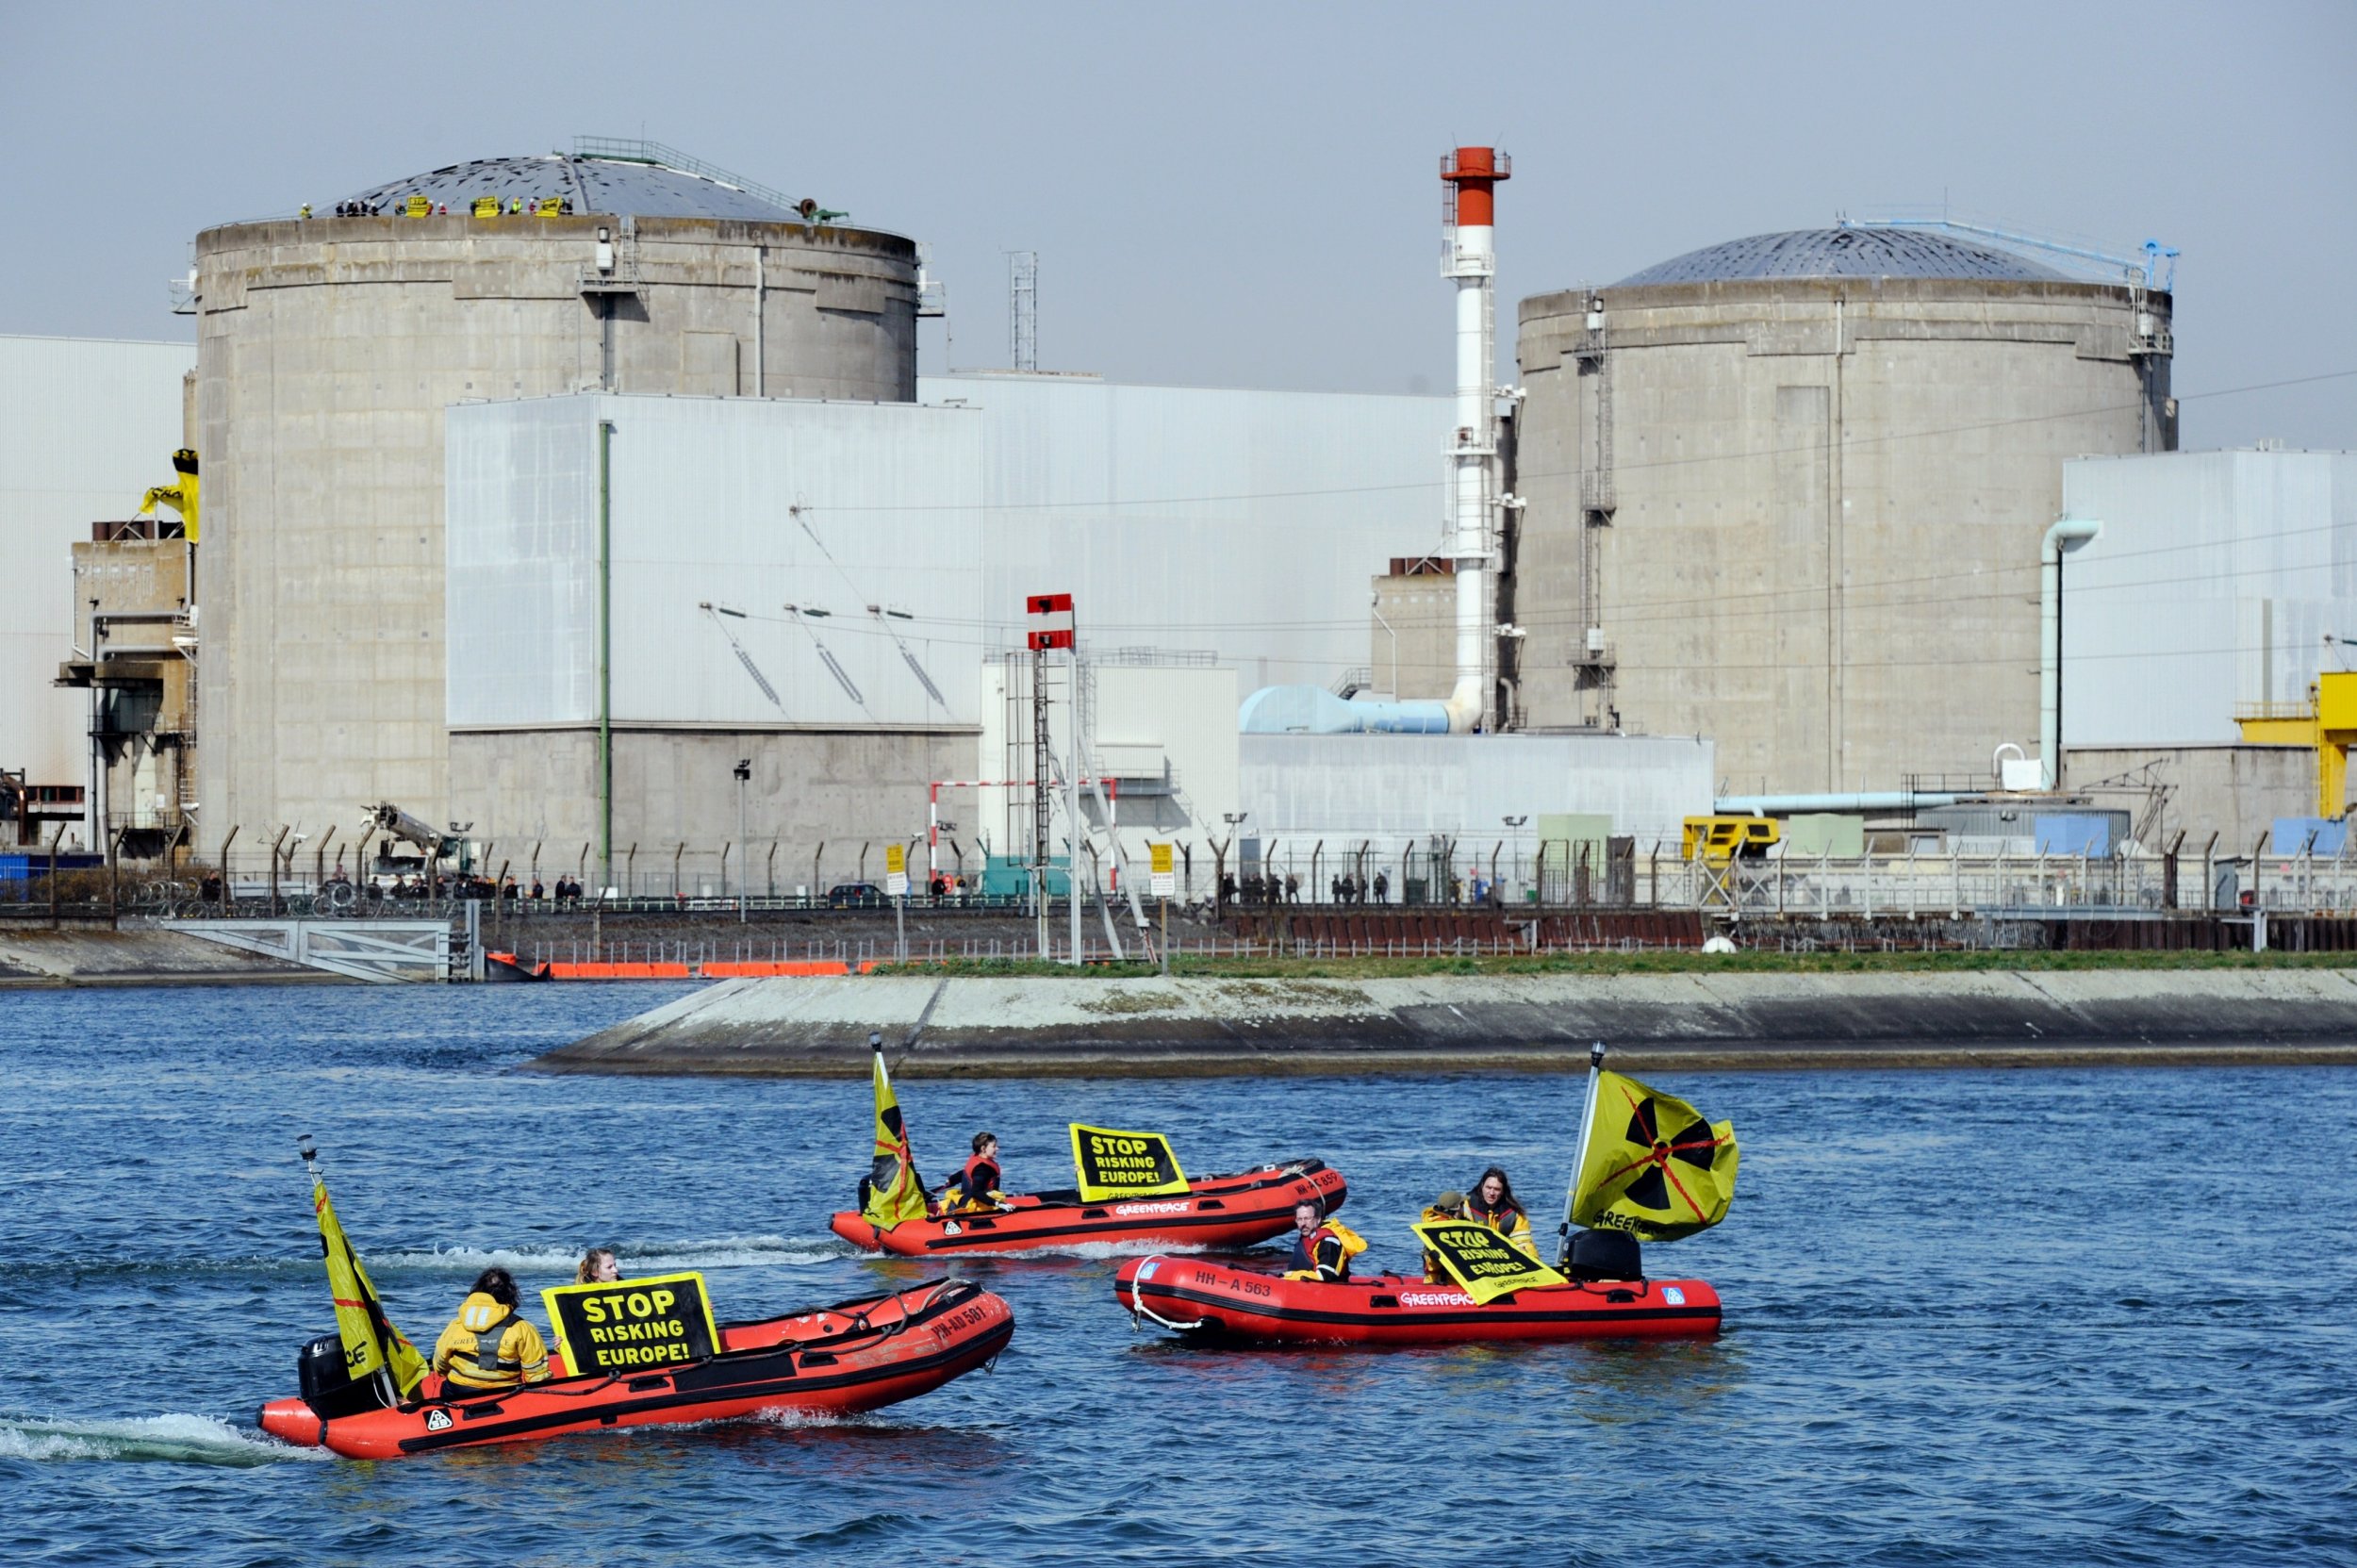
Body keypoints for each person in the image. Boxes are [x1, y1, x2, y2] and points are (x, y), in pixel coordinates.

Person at [432, 1267, 550, 1395]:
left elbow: (440, 1362)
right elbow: (537, 1374)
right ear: (510, 1293)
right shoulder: (522, 1328)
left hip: (459, 1391)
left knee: (446, 1387)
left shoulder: (456, 1325)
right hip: (505, 1393)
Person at [1283, 1200, 1364, 1283]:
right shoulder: (1305, 1238)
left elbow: (1324, 1276)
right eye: (1299, 1219)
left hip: (1329, 1291)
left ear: (1318, 1219)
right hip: (1303, 1287)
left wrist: (1291, 1276)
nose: (1303, 1223)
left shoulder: (1329, 1242)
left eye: (1307, 1218)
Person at [1466, 1166, 1536, 1261]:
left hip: (1500, 1260)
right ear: (1481, 1186)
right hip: (1471, 1258)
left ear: (1503, 1191)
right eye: (1488, 1187)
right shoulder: (1466, 1206)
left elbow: (1524, 1243)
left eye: (1497, 1189)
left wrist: (1534, 1263)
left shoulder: (1514, 1214)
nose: (1491, 1193)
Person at [941, 1132, 1003, 1213]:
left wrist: (952, 1179)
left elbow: (965, 1173)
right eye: (994, 1146)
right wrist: (997, 1203)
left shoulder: (977, 1159)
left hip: (965, 1199)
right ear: (983, 1149)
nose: (997, 1149)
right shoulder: (983, 1168)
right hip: (974, 1205)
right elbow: (976, 1192)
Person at [1419, 1189, 1468, 1283]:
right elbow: (1431, 1263)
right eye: (1462, 1204)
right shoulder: (1441, 1229)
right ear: (1457, 1208)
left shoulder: (1436, 1225)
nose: (1464, 1207)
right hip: (1441, 1282)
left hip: (1448, 1279)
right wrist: (1435, 1258)